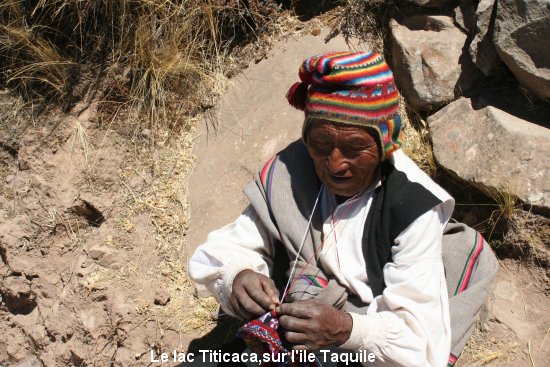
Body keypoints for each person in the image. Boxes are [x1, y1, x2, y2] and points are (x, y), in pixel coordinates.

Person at [188, 51, 498, 367]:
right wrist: (237, 275)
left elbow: (422, 346)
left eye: (354, 148)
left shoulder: (412, 206)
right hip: (305, 315)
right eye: (321, 145)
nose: (335, 164)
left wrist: (347, 328)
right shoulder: (292, 168)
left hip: (366, 329)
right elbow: (226, 248)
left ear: (385, 143)